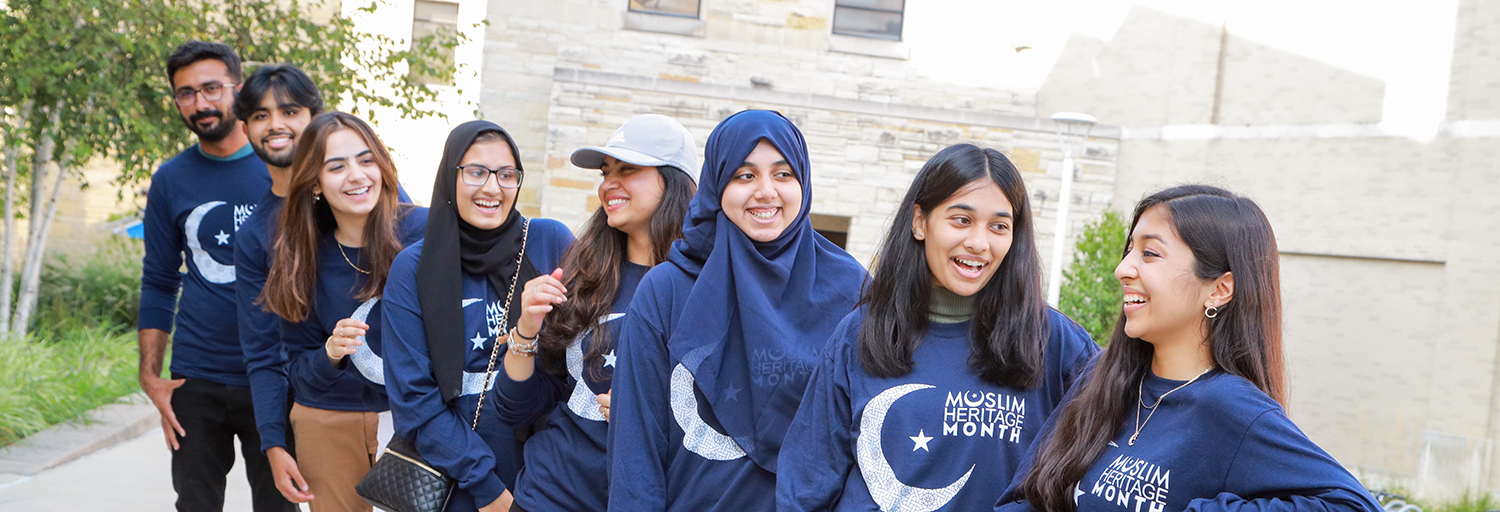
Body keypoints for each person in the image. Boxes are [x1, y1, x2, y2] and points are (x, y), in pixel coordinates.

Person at [995, 185, 1382, 512]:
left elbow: (1354, 505)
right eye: (1129, 251)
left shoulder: (1230, 407)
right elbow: (1024, 497)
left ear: (1219, 288)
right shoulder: (1100, 380)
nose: (1123, 269)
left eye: (1150, 254)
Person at [777, 143, 1099, 512]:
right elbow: (806, 484)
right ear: (919, 222)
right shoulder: (860, 334)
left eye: (999, 226)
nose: (979, 243)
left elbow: (1107, 453)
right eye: (962, 220)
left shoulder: (1055, 342)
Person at [608, 109, 867, 512]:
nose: (765, 191)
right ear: (716, 187)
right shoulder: (667, 292)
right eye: (744, 176)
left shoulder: (852, 290)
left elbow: (860, 443)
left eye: (783, 174)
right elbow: (635, 452)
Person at [496, 114, 699, 512]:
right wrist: (526, 331)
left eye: (629, 170)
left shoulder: (707, 287)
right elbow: (516, 406)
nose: (609, 184)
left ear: (676, 182)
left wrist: (641, 413)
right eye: (606, 172)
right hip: (552, 495)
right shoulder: (583, 274)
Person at [382, 120, 575, 512]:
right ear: (450, 176)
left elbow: (579, 360)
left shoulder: (549, 241)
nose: (492, 188)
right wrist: (488, 489)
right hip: (456, 485)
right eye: (476, 172)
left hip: (548, 479)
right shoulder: (414, 268)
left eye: (506, 175)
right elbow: (414, 401)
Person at [137, 41, 295, 511]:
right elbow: (159, 280)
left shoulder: (282, 165)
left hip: (274, 375)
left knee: (278, 504)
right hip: (196, 376)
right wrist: (150, 375)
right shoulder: (171, 179)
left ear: (238, 89)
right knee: (196, 503)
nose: (201, 103)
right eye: (186, 93)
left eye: (211, 88)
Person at [256, 111, 429, 511]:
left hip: (414, 421)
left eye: (366, 160)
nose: (356, 175)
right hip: (327, 421)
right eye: (337, 166)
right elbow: (297, 370)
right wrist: (331, 353)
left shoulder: (423, 232)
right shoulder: (301, 257)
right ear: (314, 182)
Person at [231, 62, 325, 504]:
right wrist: (273, 441)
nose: (275, 125)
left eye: (289, 111)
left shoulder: (361, 190)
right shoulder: (255, 235)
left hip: (393, 404)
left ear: (312, 117)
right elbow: (263, 350)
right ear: (247, 128)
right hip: (313, 408)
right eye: (261, 116)